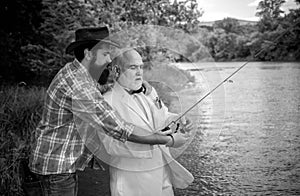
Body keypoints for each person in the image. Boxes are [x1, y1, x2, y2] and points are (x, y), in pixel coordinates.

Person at [23, 27, 190, 196]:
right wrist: (167, 139)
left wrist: (131, 85)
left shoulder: (77, 73)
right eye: (105, 54)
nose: (109, 59)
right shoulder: (78, 85)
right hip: (56, 168)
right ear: (89, 53)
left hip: (58, 165)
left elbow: (96, 91)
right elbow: (119, 128)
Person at [101, 48, 194, 196]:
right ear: (117, 71)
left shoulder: (149, 92)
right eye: (133, 67)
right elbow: (112, 146)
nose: (139, 72)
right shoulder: (106, 102)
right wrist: (165, 140)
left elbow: (163, 116)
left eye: (141, 67)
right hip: (133, 184)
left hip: (163, 178)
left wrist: (178, 119)